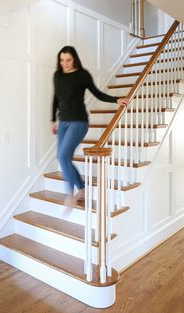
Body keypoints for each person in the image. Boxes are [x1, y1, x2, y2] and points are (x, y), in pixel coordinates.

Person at [51, 46, 128, 209]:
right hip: (63, 122)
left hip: (79, 122)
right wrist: (53, 120)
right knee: (63, 158)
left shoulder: (82, 75)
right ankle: (83, 190)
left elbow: (97, 93)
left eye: (68, 60)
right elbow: (56, 98)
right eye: (62, 60)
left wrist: (116, 100)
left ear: (75, 59)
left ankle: (69, 196)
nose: (65, 63)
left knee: (63, 156)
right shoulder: (57, 76)